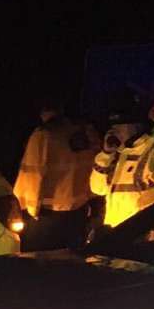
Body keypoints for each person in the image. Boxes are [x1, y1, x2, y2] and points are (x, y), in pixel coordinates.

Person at [90, 99, 154, 232]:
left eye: (119, 125)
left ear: (138, 125)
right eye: (112, 126)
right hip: (116, 240)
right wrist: (105, 154)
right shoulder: (121, 153)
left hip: (141, 245)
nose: (113, 131)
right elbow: (98, 189)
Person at [13, 97, 99, 250]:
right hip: (80, 210)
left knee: (42, 262)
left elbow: (33, 175)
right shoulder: (86, 132)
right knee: (72, 258)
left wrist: (29, 210)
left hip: (48, 215)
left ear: (43, 112)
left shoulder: (43, 135)